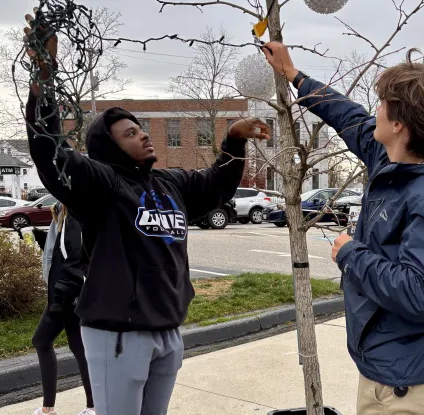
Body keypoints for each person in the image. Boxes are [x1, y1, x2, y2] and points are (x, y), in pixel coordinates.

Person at [23, 11, 271, 415]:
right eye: (130, 133)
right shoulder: (101, 185)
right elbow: (52, 154)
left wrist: (232, 140)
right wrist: (43, 81)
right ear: (110, 147)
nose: (143, 134)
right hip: (117, 336)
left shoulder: (169, 183)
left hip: (168, 331)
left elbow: (215, 185)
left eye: (141, 128)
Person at [262, 42, 424, 414]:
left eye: (382, 105)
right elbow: (348, 116)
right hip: (388, 360)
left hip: (404, 382)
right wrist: (295, 76)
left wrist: (351, 255)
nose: (375, 112)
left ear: (398, 124)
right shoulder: (395, 158)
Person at [19, 203, 94, 415]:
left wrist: (60, 297)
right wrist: (38, 237)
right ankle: (90, 407)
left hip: (67, 295)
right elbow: (61, 253)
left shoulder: (75, 215)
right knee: (77, 347)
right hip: (65, 294)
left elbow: (76, 259)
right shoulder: (63, 212)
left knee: (43, 341)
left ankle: (52, 409)